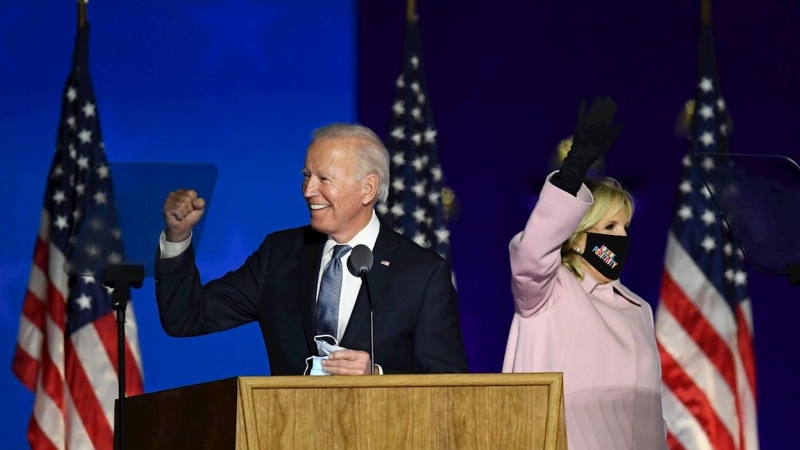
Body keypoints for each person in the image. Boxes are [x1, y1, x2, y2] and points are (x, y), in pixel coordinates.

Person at [155, 123, 467, 376]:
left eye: (323, 178)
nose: (308, 191)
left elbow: (446, 385)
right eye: (306, 176)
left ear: (367, 189)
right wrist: (178, 238)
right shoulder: (280, 255)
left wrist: (378, 377)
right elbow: (186, 317)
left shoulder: (421, 273)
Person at [503, 97, 666, 449]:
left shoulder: (639, 310)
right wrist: (572, 172)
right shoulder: (549, 291)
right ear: (577, 237)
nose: (621, 237)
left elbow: (651, 418)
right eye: (609, 226)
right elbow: (532, 252)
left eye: (625, 227)